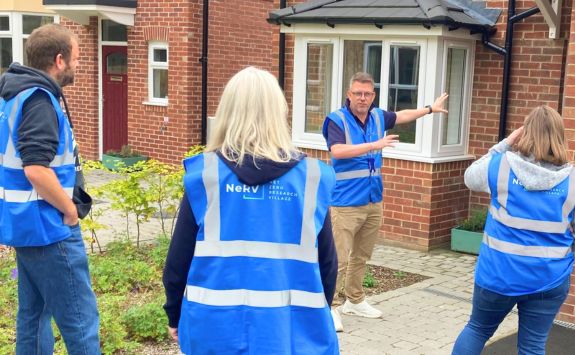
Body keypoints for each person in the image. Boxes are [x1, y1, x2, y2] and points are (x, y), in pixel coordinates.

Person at [163, 67, 339, 354]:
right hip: (291, 332)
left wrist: (174, 313)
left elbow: (178, 261)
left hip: (215, 330)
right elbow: (327, 263)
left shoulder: (206, 175)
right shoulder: (311, 178)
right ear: (278, 112)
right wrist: (318, 313)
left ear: (228, 112)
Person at [0, 24, 100, 354]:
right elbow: (36, 170)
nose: (79, 64)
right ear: (59, 60)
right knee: (81, 323)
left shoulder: (16, 95)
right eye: (77, 57)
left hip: (26, 226)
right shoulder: (39, 101)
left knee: (33, 317)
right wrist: (69, 210)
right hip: (50, 228)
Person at [322, 72, 448, 331]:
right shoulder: (337, 120)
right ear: (349, 94)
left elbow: (401, 116)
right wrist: (374, 145)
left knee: (362, 255)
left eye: (367, 94)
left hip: (372, 198)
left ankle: (355, 300)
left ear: (373, 95)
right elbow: (337, 151)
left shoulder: (378, 116)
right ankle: (331, 307)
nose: (362, 98)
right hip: (345, 202)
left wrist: (429, 109)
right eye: (357, 93)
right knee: (339, 258)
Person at [452, 105, 574, 354]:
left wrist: (505, 143)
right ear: (560, 137)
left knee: (477, 329)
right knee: (533, 345)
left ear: (524, 133)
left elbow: (469, 177)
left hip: (498, 274)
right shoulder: (572, 180)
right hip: (548, 278)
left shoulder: (500, 166)